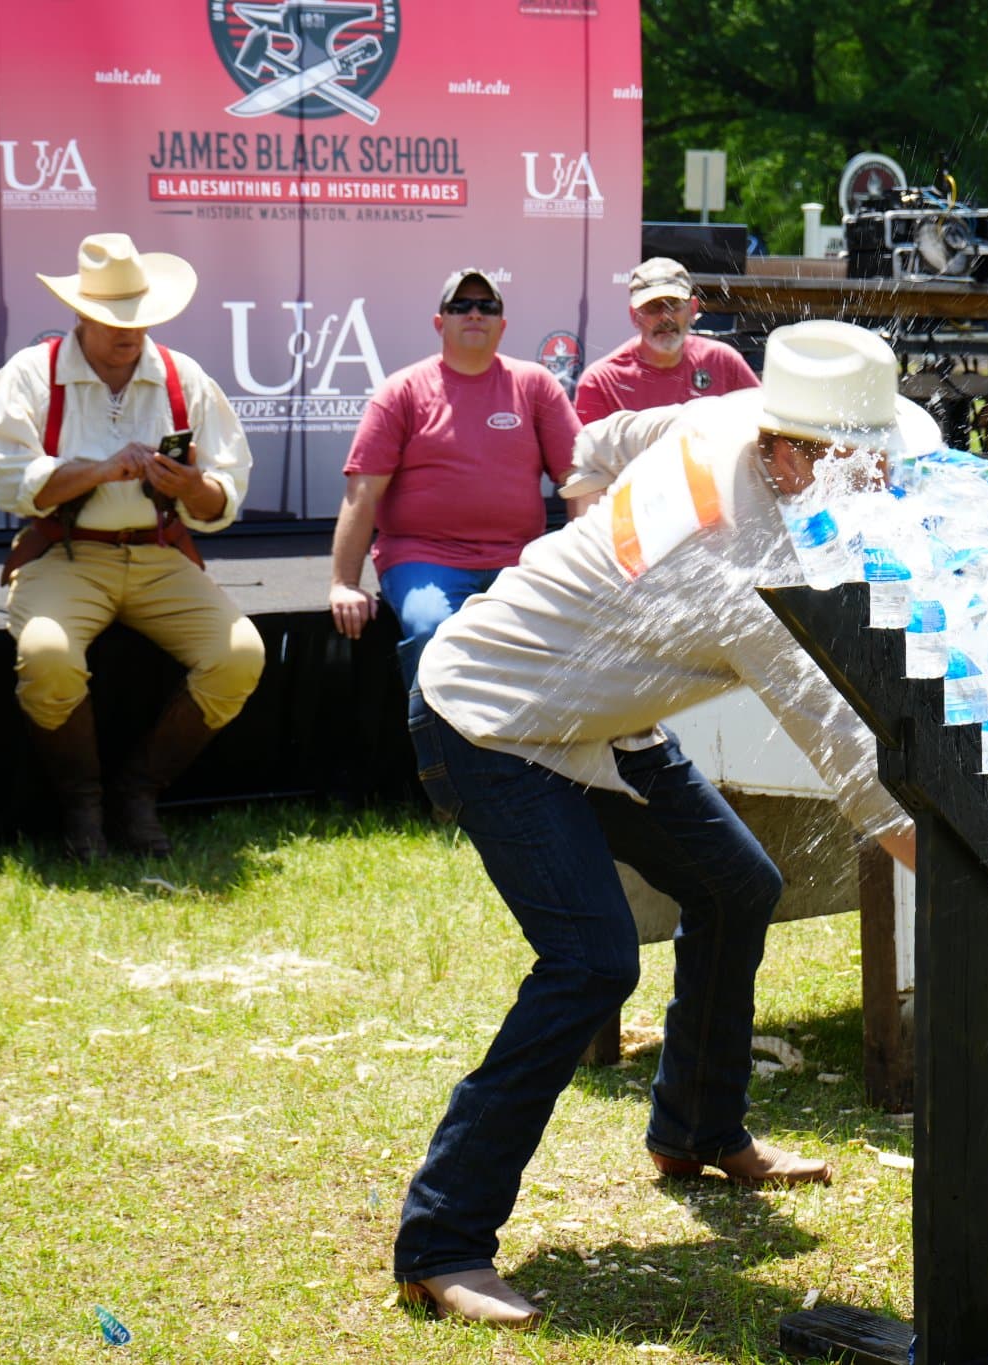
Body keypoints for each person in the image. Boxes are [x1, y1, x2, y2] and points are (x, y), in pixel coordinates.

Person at [392, 320, 934, 1327]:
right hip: (489, 717)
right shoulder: (749, 575)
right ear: (791, 452)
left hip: (599, 719)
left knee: (737, 886)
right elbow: (849, 760)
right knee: (590, 964)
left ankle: (695, 1130)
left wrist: (593, 537)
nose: (878, 484)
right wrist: (962, 896)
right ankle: (442, 1242)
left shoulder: (727, 415)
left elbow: (600, 442)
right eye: (860, 464)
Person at [0, 233, 264, 858]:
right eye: (113, 319)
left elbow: (223, 496)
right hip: (66, 554)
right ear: (79, 314)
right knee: (47, 657)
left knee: (240, 655)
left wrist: (191, 486)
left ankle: (137, 793)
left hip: (161, 556)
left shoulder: (183, 377)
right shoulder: (30, 375)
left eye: (139, 317)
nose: (129, 332)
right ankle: (82, 804)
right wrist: (100, 471)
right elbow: (10, 484)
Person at [329, 269, 580, 688]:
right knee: (434, 632)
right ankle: (436, 734)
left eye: (487, 306)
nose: (474, 314)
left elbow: (579, 478)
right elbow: (363, 492)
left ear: (502, 324)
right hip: (425, 558)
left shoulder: (536, 385)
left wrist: (585, 567)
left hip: (519, 560)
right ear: (439, 322)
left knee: (562, 634)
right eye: (461, 305)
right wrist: (344, 584)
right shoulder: (401, 391)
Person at [572, 257, 758, 422]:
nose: (665, 316)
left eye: (674, 304)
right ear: (634, 316)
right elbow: (588, 450)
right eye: (653, 306)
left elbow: (763, 425)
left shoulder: (723, 363)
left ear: (693, 309)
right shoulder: (601, 383)